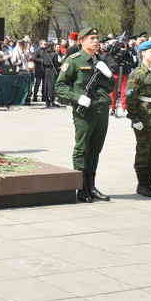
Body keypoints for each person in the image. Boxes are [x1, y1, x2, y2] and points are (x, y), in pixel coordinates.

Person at [56, 27, 113, 203]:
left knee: (95, 149)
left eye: (97, 38)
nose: (96, 41)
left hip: (101, 110)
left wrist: (108, 76)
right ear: (81, 41)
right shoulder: (73, 60)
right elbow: (60, 86)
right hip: (84, 112)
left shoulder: (100, 61)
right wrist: (77, 97)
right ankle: (81, 188)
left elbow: (109, 88)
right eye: (91, 38)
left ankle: (91, 186)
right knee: (82, 148)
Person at [125, 40, 151, 197]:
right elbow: (130, 97)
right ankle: (142, 184)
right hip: (143, 117)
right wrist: (134, 118)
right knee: (144, 150)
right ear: (143, 53)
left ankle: (149, 183)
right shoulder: (137, 73)